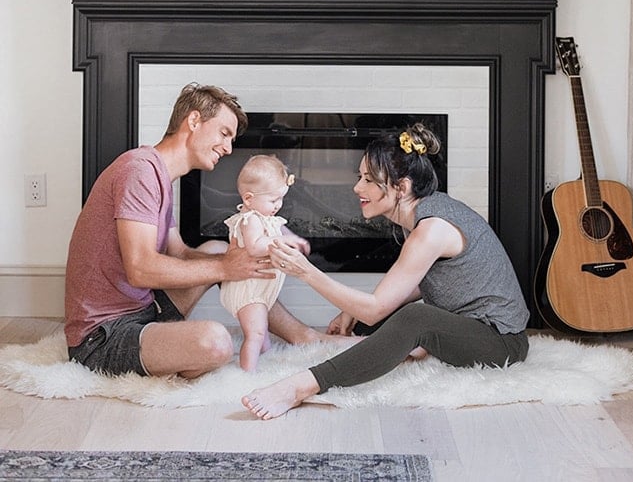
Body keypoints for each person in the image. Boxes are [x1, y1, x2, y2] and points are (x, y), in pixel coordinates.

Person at [242, 122, 530, 419]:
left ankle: (301, 386)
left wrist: (305, 271)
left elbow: (375, 309)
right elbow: (425, 281)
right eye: (360, 177)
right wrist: (353, 310)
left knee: (412, 318)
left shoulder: (431, 229)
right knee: (378, 319)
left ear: (401, 187)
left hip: (501, 343)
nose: (357, 188)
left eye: (368, 179)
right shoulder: (424, 212)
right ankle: (342, 344)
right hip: (469, 325)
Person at [64, 83, 319, 379]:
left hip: (146, 309)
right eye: (224, 133)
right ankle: (172, 355)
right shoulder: (139, 171)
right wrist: (226, 269)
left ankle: (302, 335)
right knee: (215, 342)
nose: (228, 148)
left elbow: (180, 253)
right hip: (102, 337)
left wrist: (235, 260)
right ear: (194, 121)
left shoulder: (159, 175)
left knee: (217, 250)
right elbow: (141, 269)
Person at [220, 154, 310, 371]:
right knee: (256, 333)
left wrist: (294, 240)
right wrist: (282, 240)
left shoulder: (266, 217)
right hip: (247, 290)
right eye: (273, 200)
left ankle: (267, 365)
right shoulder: (249, 219)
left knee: (263, 332)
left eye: (281, 199)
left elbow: (279, 230)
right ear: (249, 199)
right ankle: (246, 375)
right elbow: (255, 246)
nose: (278, 205)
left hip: (259, 290)